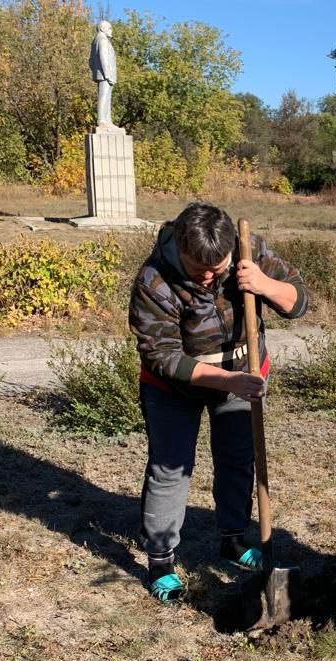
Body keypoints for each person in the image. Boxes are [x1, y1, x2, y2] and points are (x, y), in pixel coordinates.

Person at [129, 202, 308, 602]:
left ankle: (232, 537)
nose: (210, 277)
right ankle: (160, 559)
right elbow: (164, 357)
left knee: (237, 458)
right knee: (170, 468)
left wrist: (264, 284)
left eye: (218, 267)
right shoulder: (154, 280)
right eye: (199, 269)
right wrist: (229, 379)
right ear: (180, 248)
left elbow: (299, 301)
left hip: (243, 375)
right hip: (174, 388)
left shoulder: (249, 249)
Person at [89, 20, 117, 129]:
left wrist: (96, 70)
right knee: (104, 96)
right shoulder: (102, 40)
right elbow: (103, 57)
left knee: (107, 97)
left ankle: (108, 120)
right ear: (102, 28)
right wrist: (107, 74)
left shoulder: (96, 40)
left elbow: (90, 61)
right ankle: (102, 120)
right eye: (109, 28)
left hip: (103, 74)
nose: (111, 30)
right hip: (106, 75)